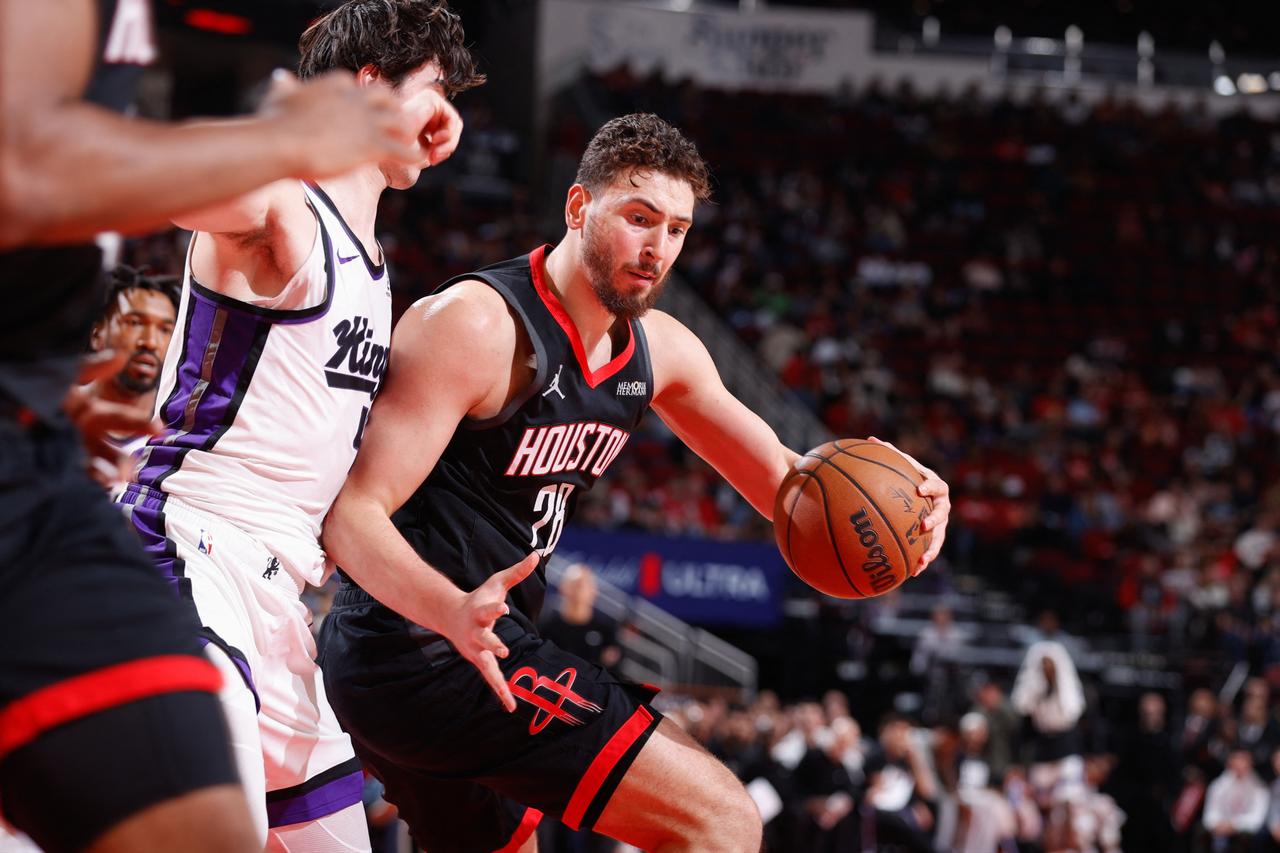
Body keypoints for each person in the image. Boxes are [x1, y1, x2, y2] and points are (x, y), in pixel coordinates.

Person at [319, 112, 953, 852]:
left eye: (677, 229)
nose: (657, 249)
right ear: (579, 208)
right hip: (415, 644)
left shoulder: (662, 352)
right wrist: (451, 610)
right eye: (639, 218)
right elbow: (352, 515)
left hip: (476, 646)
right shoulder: (479, 326)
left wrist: (911, 507)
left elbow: (790, 483)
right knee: (720, 819)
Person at [0, 0, 448, 849]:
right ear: (367, 90)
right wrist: (289, 136)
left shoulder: (378, 267)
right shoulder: (286, 205)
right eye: (429, 90)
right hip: (195, 547)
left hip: (285, 592)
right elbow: (174, 194)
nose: (442, 115)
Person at [82, 264, 179, 489]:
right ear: (97, 334)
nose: (150, 342)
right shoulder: (53, 413)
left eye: (165, 329)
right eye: (134, 323)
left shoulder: (180, 433)